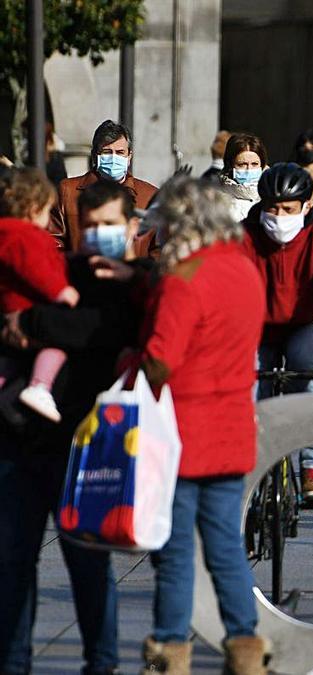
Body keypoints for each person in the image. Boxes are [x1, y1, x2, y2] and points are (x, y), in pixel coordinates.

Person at [0, 181, 151, 675]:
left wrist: (34, 322)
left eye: (108, 224)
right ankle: (12, 662)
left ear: (132, 226)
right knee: (12, 565)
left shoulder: (137, 283)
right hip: (22, 440)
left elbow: (99, 330)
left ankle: (101, 664)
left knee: (88, 567)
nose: (97, 235)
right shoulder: (57, 268)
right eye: (89, 225)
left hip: (89, 447)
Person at [121, 177, 269, 674]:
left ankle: (169, 648)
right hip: (232, 429)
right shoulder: (245, 272)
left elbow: (161, 359)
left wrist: (131, 361)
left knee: (176, 550)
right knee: (227, 546)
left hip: (181, 434)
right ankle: (246, 645)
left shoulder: (184, 278)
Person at [242, 163, 313, 502]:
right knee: (244, 389)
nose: (279, 217)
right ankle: (244, 464)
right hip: (255, 326)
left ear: (307, 206)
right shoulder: (243, 236)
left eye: (288, 210)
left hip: (304, 323)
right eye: (272, 209)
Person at [0, 169, 79, 422]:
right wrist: (62, 291)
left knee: (10, 360)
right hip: (30, 309)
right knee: (57, 342)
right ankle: (41, 385)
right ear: (34, 209)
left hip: (9, 308)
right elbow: (39, 270)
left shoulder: (5, 233)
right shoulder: (27, 236)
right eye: (47, 212)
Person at [51, 120, 157, 251]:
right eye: (107, 152)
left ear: (129, 156)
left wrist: (140, 270)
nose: (113, 158)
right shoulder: (68, 191)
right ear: (95, 155)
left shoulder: (149, 195)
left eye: (120, 153)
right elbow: (54, 241)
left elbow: (158, 247)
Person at [217, 133, 267, 222]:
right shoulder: (218, 201)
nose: (249, 169)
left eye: (254, 164)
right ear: (230, 165)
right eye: (242, 164)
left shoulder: (272, 196)